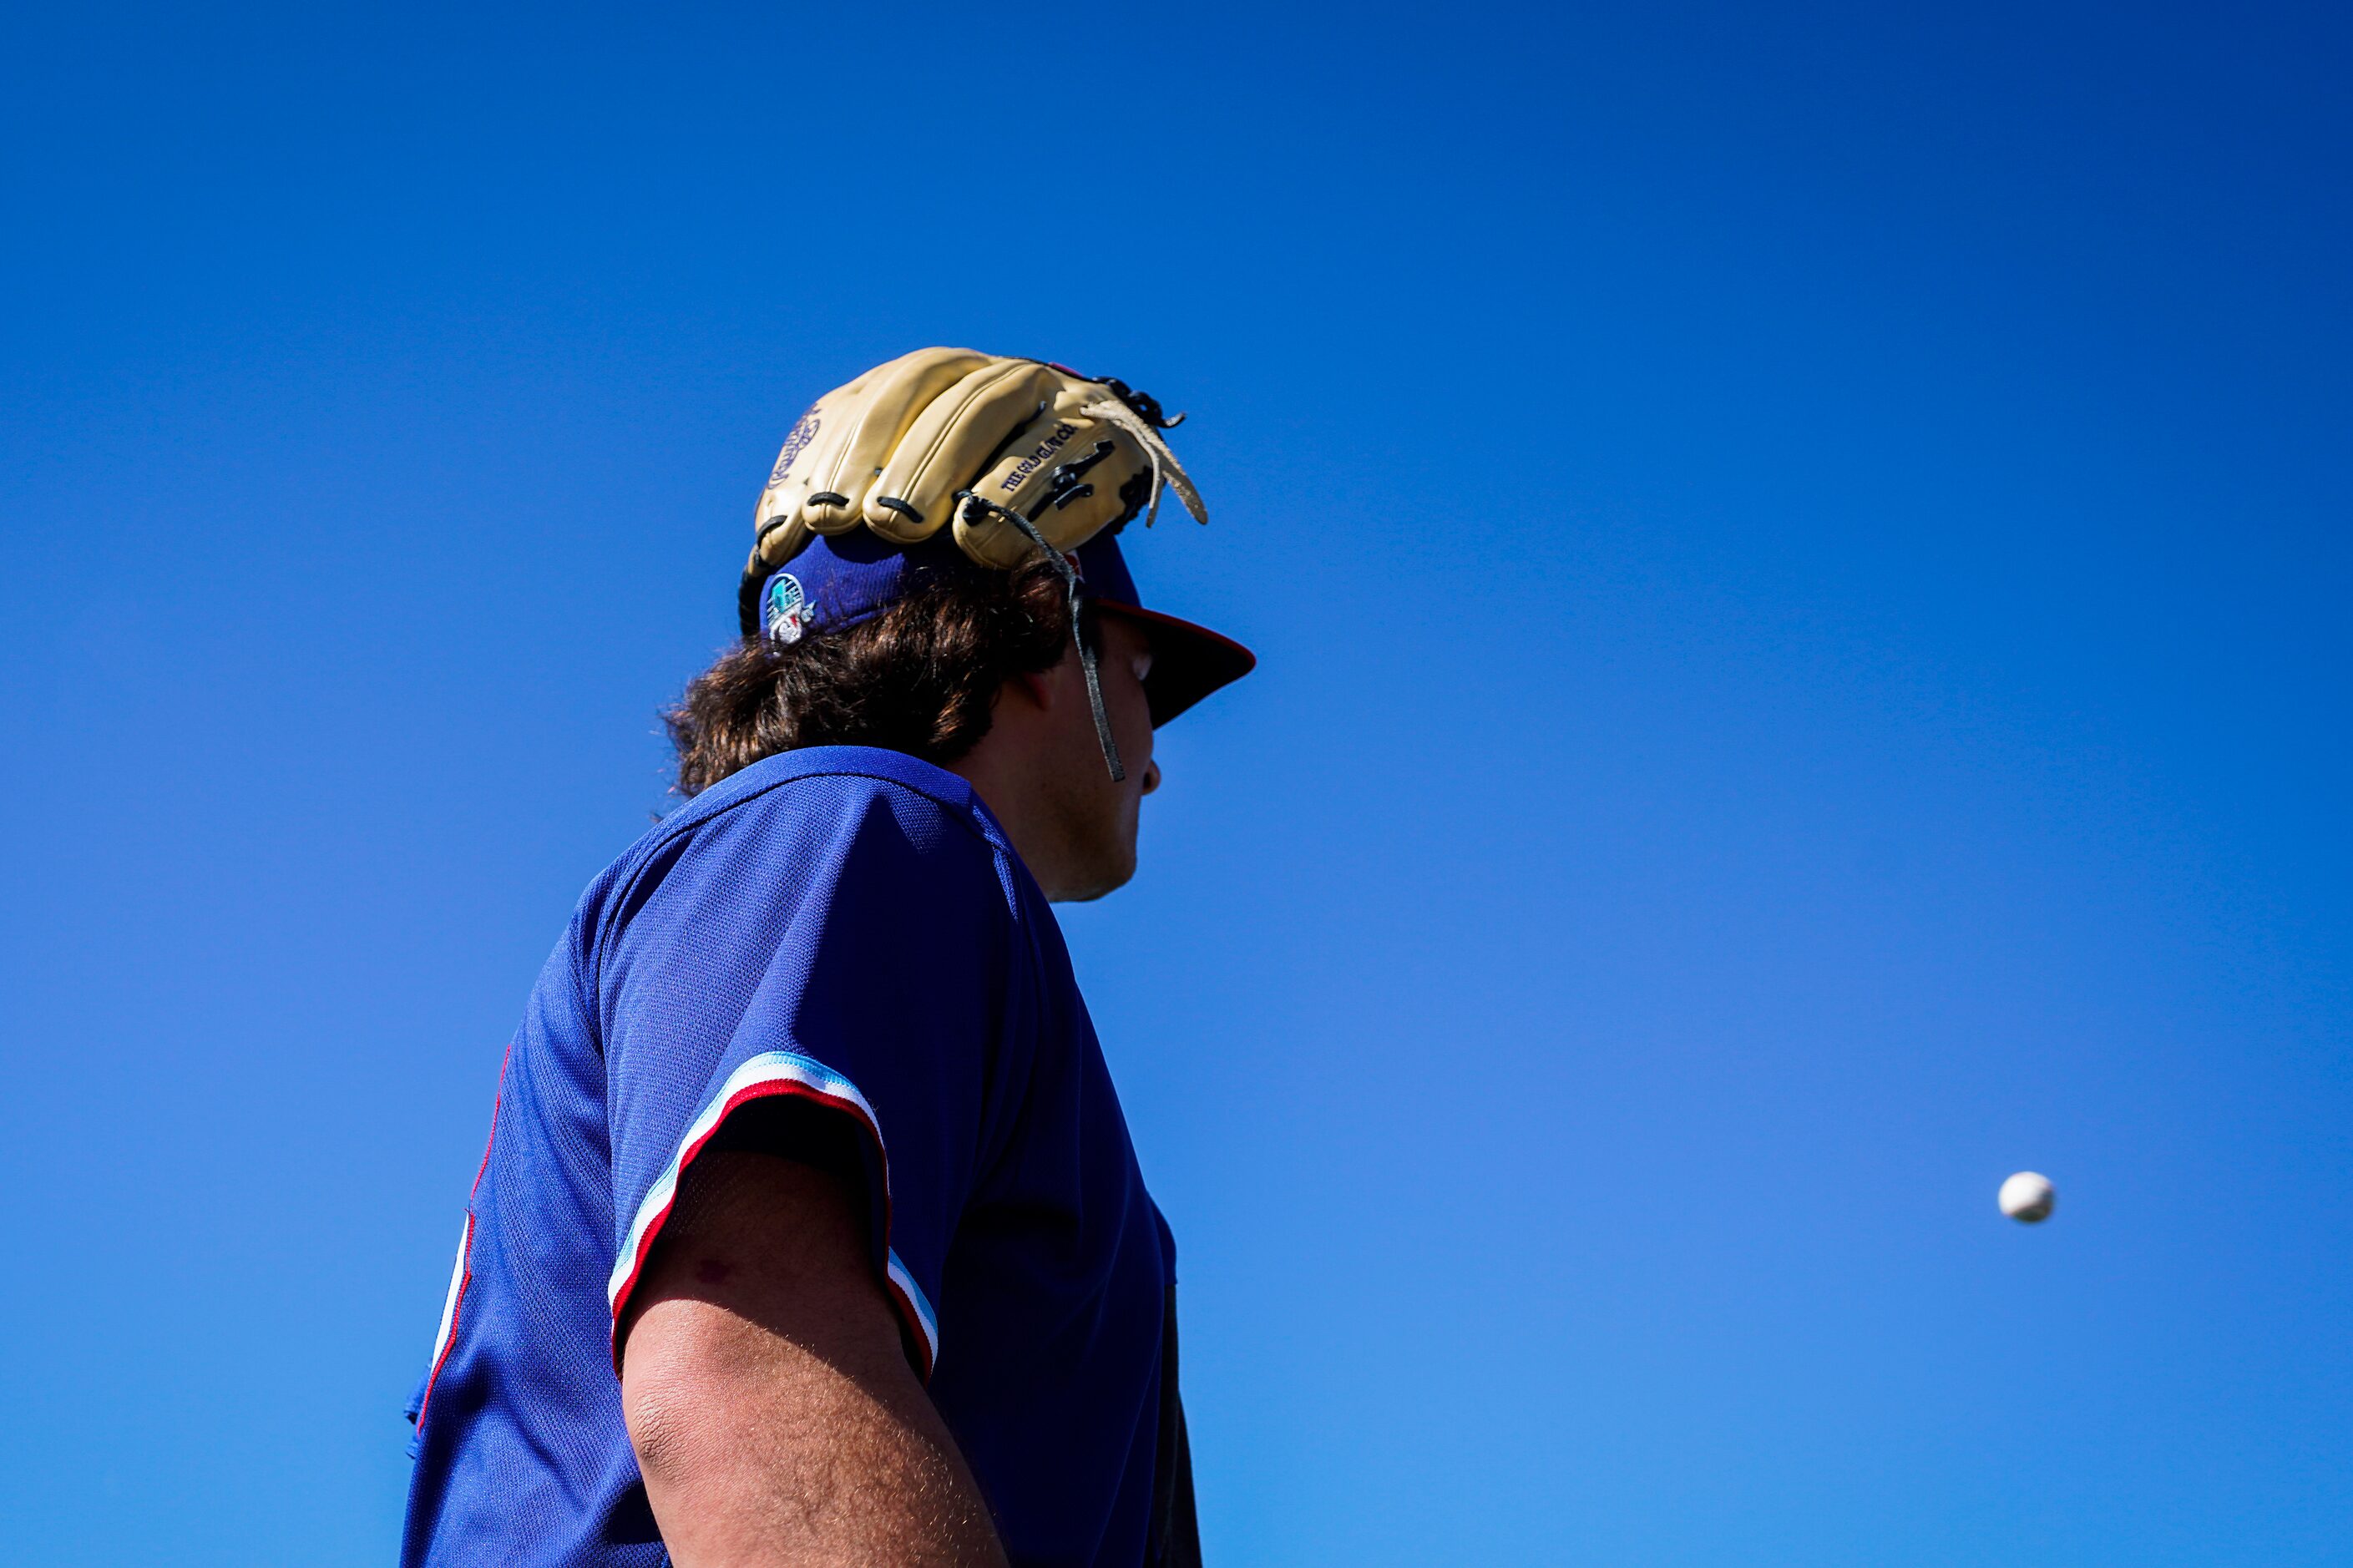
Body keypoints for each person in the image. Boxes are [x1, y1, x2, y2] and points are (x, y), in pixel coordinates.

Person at [399, 349, 1256, 1568]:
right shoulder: (855, 825)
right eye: (1142, 673)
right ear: (1032, 622)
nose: (1156, 746)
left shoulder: (847, 858)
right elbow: (745, 1373)